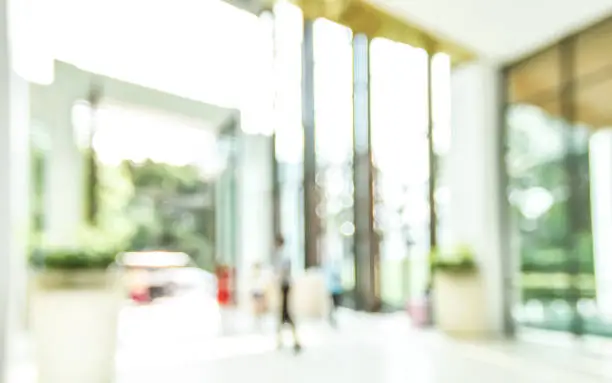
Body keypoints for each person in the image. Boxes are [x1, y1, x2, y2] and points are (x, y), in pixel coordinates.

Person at [275, 237, 301, 353]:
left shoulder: (283, 255)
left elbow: (284, 271)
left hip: (285, 286)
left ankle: (292, 340)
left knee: (285, 314)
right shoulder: (282, 255)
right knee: (284, 314)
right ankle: (283, 340)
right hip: (284, 286)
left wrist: (279, 278)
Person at [327, 262, 343, 327]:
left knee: (335, 305)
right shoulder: (332, 271)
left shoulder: (335, 271)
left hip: (336, 290)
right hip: (334, 290)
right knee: (333, 305)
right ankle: (332, 316)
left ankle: (333, 316)